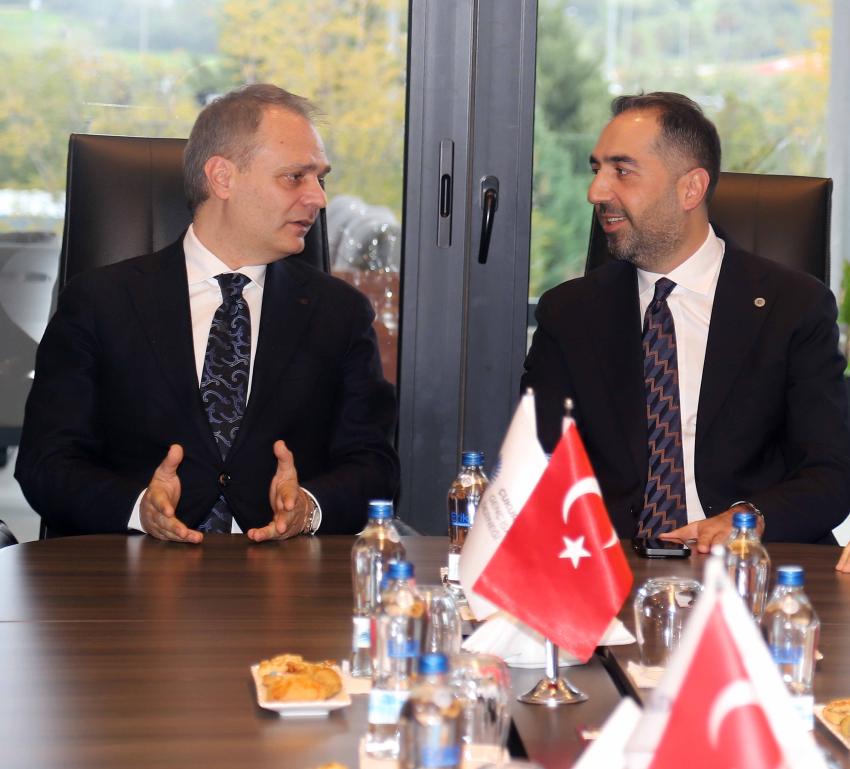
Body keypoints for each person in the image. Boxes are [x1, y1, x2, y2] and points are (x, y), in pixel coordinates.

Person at [15, 84, 399, 542]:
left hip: (283, 575)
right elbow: (46, 462)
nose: (317, 198)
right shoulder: (99, 302)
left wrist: (309, 509)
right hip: (129, 570)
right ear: (222, 178)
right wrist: (139, 509)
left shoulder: (340, 313)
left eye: (320, 179)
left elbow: (375, 467)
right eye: (295, 177)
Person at [522, 91, 850, 553]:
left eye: (622, 171)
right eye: (597, 170)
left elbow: (831, 473)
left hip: (748, 563)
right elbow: (535, 463)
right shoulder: (570, 313)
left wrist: (750, 521)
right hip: (613, 565)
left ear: (691, 189)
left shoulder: (792, 306)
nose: (596, 192)